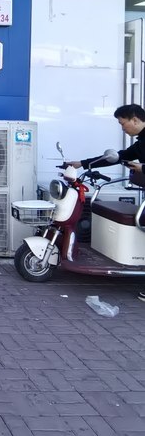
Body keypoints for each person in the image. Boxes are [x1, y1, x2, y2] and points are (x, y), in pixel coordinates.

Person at [68, 104, 145, 300]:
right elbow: (118, 157)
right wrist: (83, 163)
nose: (122, 128)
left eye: (123, 123)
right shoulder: (141, 143)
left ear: (135, 119)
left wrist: (143, 168)